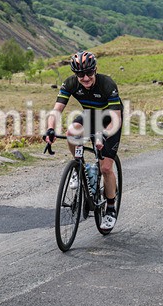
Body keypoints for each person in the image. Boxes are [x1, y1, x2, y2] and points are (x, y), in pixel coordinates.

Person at [44, 50, 123, 230]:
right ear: (75, 74)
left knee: (105, 167)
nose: (85, 78)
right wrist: (50, 129)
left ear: (95, 70)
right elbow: (56, 111)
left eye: (89, 73)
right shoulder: (71, 83)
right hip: (90, 115)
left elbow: (116, 119)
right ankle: (79, 166)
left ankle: (110, 208)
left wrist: (103, 135)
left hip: (111, 120)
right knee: (72, 131)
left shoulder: (107, 84)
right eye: (80, 74)